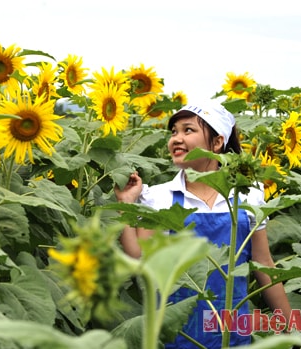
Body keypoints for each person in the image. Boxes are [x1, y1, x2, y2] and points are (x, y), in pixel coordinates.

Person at [114, 101, 292, 348]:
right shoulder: (160, 196)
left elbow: (264, 264)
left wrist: (291, 329)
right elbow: (141, 259)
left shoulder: (247, 196)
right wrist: (125, 205)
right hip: (177, 333)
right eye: (174, 131)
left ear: (217, 142)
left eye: (188, 130)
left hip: (233, 333)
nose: (176, 138)